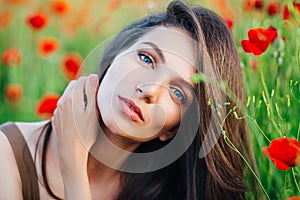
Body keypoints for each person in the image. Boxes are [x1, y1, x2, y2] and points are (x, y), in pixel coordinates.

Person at [0, 0, 257, 199]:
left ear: (173, 130)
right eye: (146, 58)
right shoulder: (7, 154)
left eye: (178, 93)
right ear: (115, 56)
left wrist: (74, 167)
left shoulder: (168, 192)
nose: (149, 89)